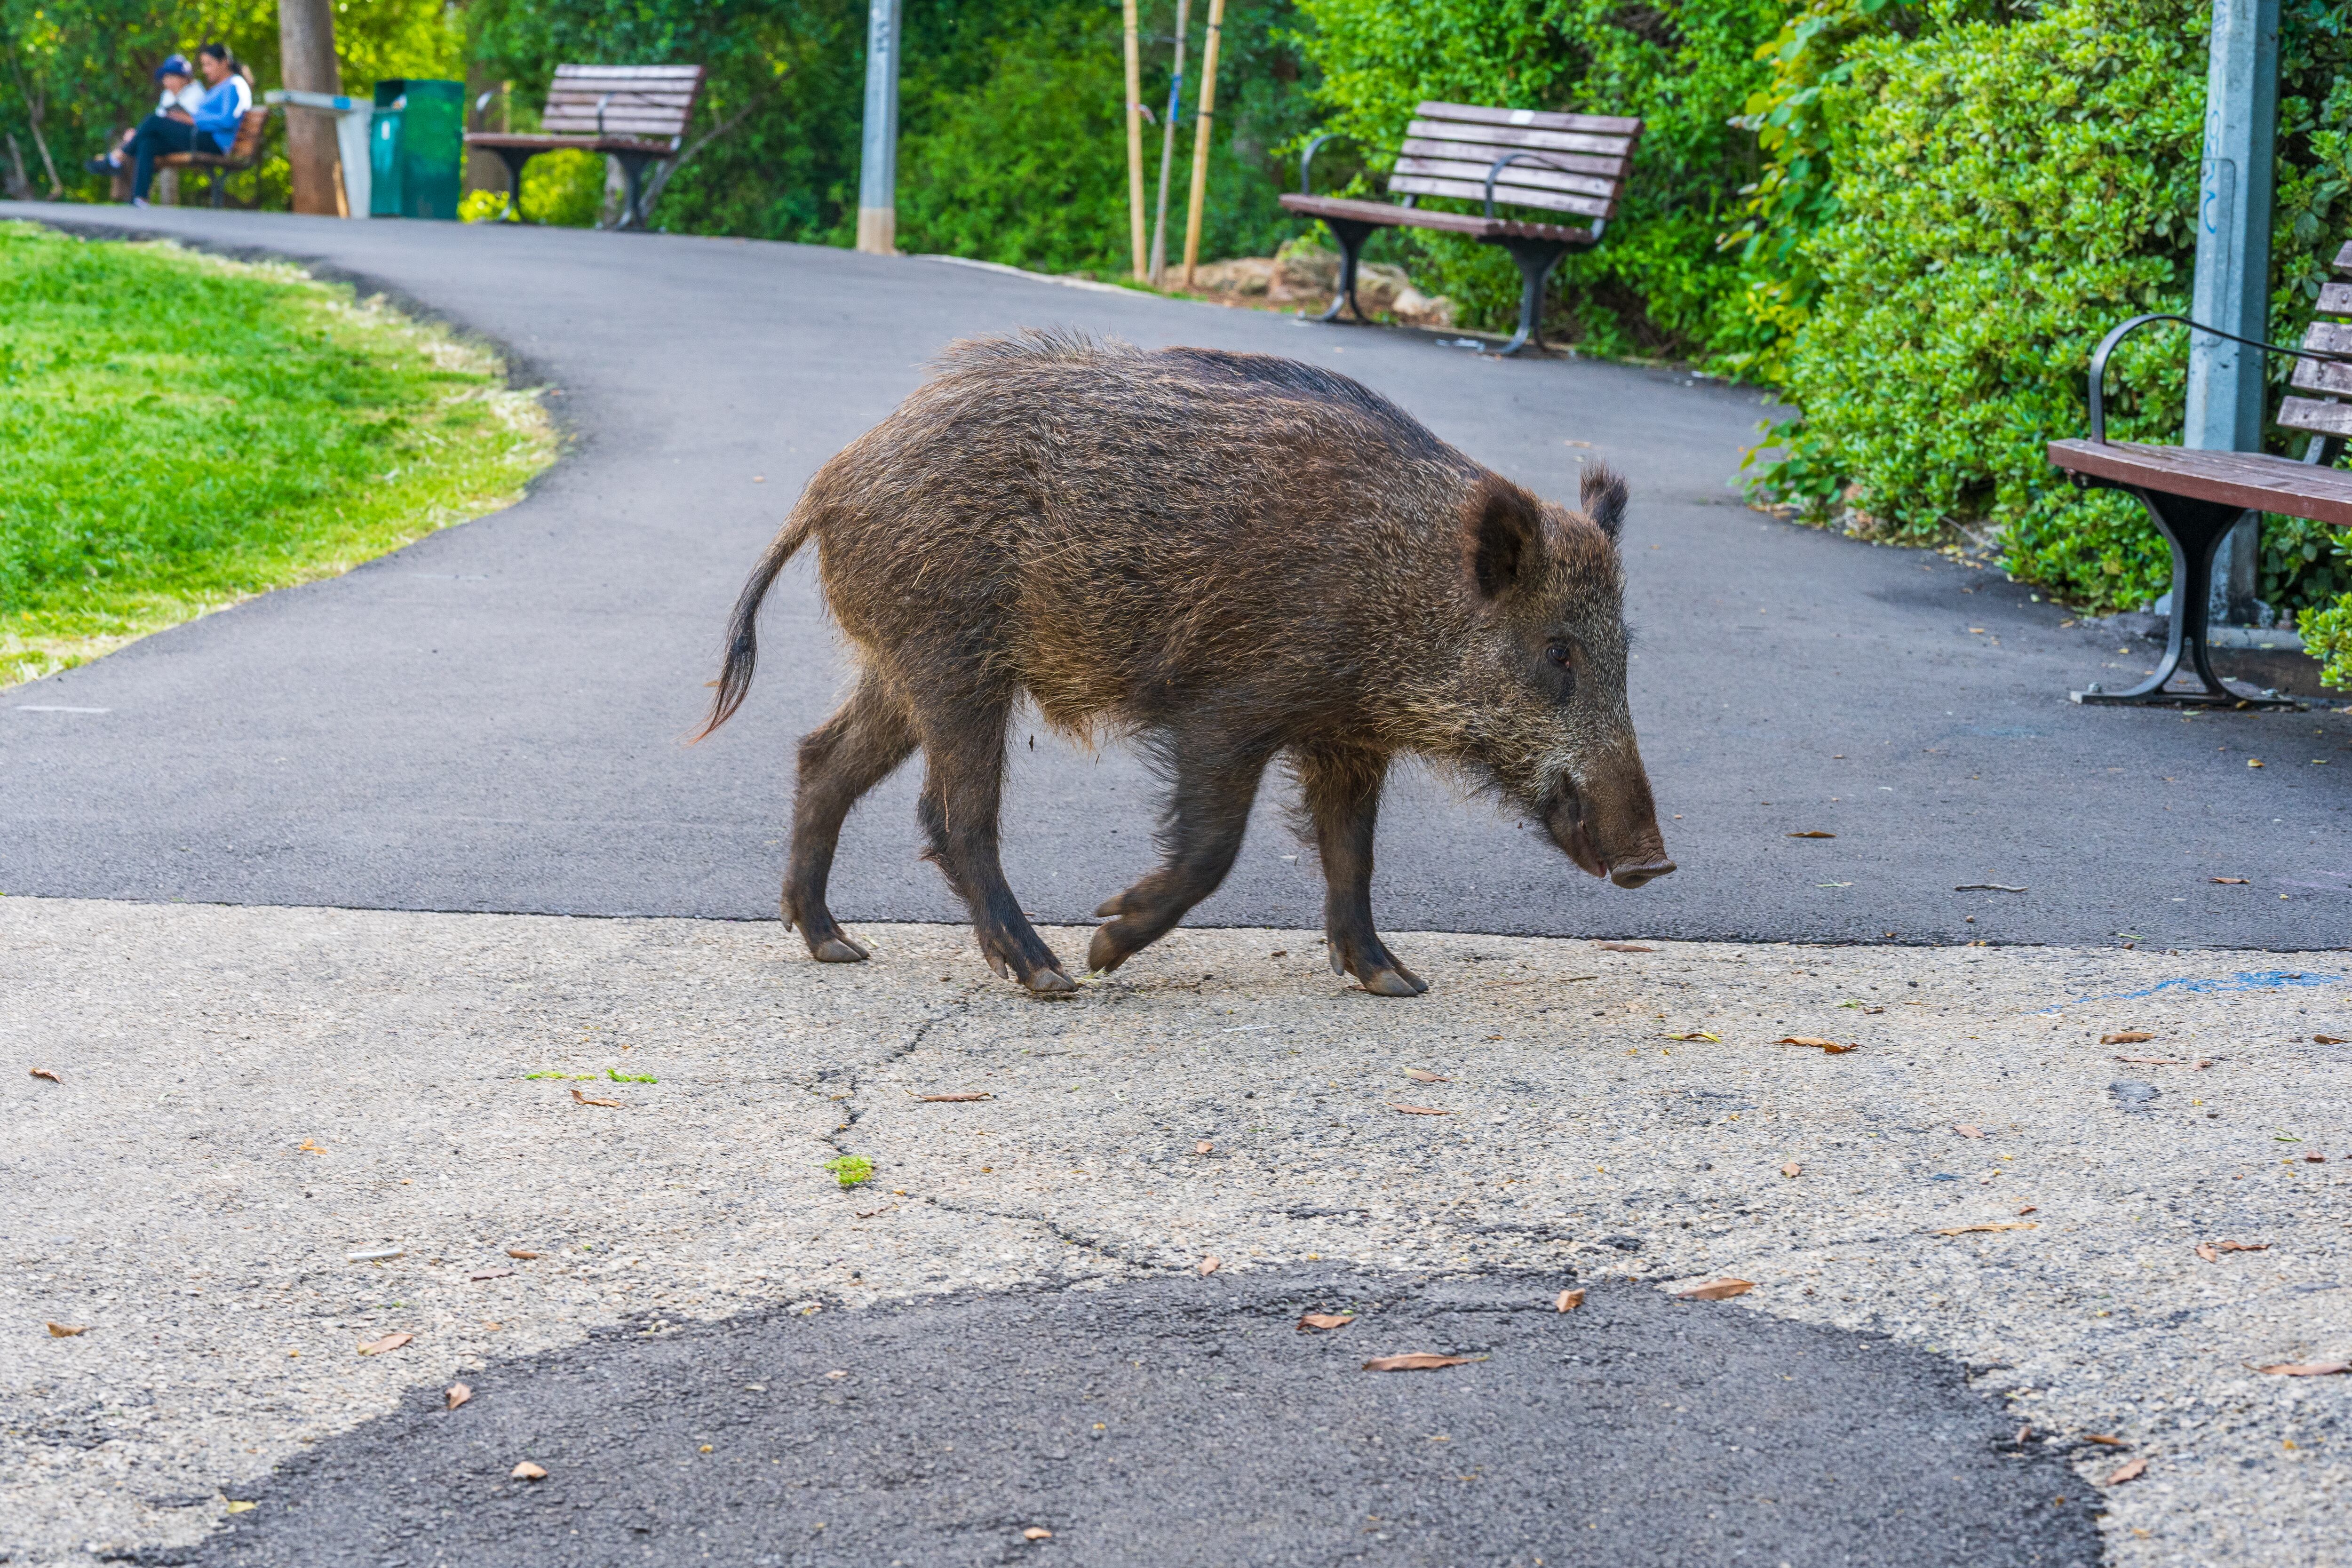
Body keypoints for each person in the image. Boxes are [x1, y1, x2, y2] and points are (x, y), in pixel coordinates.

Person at [114, 42, 252, 206]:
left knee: (153, 122)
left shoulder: (234, 85)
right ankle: (139, 198)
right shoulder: (218, 87)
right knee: (148, 142)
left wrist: (194, 120)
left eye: (209, 64)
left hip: (214, 142)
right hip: (201, 137)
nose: (206, 70)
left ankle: (121, 155)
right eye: (203, 65)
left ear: (224, 63)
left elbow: (228, 121)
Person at [87, 54, 205, 178]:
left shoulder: (197, 92)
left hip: (188, 141)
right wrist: (137, 133)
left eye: (171, 77)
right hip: (165, 140)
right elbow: (159, 121)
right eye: (165, 78)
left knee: (145, 132)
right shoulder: (167, 95)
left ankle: (116, 159)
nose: (167, 82)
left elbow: (194, 122)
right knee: (142, 141)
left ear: (184, 78)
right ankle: (137, 195)